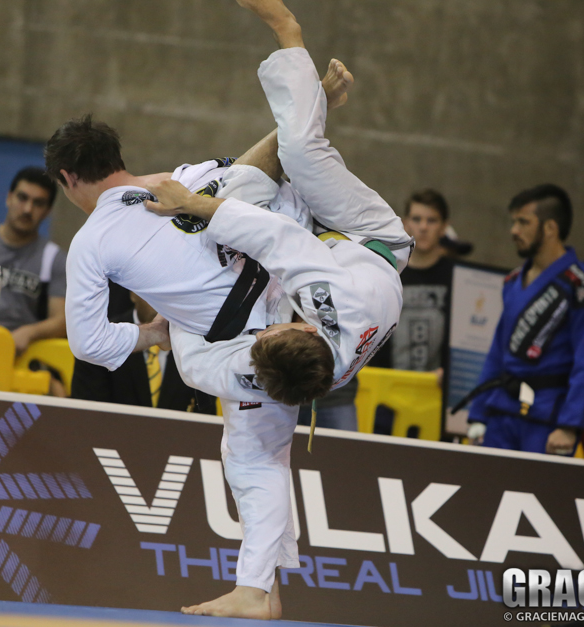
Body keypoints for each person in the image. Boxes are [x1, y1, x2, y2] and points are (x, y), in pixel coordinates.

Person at [142, 0, 411, 616]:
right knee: (296, 154)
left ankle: (257, 590)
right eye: (267, 338)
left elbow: (222, 368)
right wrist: (190, 204)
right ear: (301, 327)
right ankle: (288, 29)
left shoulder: (301, 369)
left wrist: (177, 322)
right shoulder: (328, 301)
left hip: (317, 255)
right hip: (369, 237)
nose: (260, 338)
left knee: (252, 450)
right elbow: (276, 240)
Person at [458, 184, 584, 455]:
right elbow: (497, 351)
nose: (514, 231)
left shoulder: (581, 286)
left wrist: (569, 426)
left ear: (550, 228)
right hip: (501, 410)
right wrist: (478, 413)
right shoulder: (513, 280)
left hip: (547, 417)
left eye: (523, 222)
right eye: (514, 222)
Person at [71, 283, 216, 414]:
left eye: (169, 294)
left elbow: (204, 419)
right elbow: (88, 415)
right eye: (153, 292)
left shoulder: (200, 344)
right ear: (132, 293)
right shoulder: (100, 342)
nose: (161, 302)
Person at [0, 167, 67, 356]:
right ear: (9, 197)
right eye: (22, 198)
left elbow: (62, 321)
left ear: (48, 211)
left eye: (38, 203)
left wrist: (30, 332)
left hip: (22, 356)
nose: (27, 209)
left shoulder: (53, 258)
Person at [371, 189, 454, 384]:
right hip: (388, 386)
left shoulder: (457, 277)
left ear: (444, 227)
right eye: (417, 219)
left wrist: (452, 371)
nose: (423, 227)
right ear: (406, 224)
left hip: (438, 389)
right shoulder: (388, 274)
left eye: (431, 220)